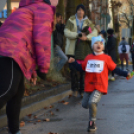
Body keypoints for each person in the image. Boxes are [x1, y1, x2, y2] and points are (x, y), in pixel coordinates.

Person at [0, 0, 58, 134]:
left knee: (17, 92)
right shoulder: (43, 9)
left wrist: (32, 71)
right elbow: (42, 40)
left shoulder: (28, 8)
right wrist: (43, 69)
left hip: (10, 49)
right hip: (11, 51)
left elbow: (27, 39)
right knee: (8, 90)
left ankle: (14, 131)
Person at [68, 35, 130, 132]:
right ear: (92, 45)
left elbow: (115, 69)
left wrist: (126, 74)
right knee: (85, 104)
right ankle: (93, 106)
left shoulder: (106, 58)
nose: (98, 45)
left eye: (101, 43)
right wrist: (73, 62)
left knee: (92, 102)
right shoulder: (88, 57)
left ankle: (92, 123)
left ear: (103, 46)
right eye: (96, 43)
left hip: (100, 86)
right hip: (89, 86)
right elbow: (81, 68)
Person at [64, 4, 98, 95]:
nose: (80, 12)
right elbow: (66, 32)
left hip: (84, 50)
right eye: (79, 10)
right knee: (73, 69)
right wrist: (77, 35)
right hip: (72, 49)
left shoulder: (88, 22)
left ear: (84, 12)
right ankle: (74, 89)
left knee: (83, 70)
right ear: (76, 11)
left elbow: (95, 32)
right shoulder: (71, 20)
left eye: (82, 10)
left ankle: (82, 89)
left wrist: (87, 37)